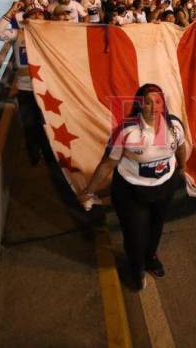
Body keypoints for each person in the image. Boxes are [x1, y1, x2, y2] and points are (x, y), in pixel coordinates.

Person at [80, 84, 187, 291]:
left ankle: (151, 257)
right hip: (131, 191)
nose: (153, 107)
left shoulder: (174, 126)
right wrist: (89, 192)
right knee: (135, 235)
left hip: (164, 187)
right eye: (148, 102)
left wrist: (182, 168)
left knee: (156, 227)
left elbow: (181, 147)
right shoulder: (126, 131)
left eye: (158, 101)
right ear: (140, 105)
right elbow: (107, 164)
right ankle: (136, 267)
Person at [0, 0, 51, 165]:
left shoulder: (51, 34)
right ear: (25, 19)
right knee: (30, 124)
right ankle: (34, 155)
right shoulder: (17, 34)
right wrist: (11, 11)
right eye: (32, 15)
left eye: (39, 14)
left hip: (48, 87)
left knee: (48, 123)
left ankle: (50, 154)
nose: (36, 17)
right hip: (26, 88)